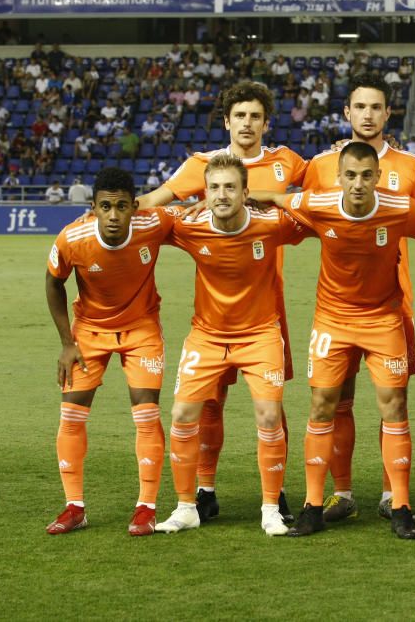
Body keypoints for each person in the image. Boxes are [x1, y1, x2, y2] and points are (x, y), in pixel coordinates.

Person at [137, 81, 307, 524]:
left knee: (271, 405)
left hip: (268, 303)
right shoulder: (200, 166)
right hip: (213, 315)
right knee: (207, 403)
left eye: (255, 116)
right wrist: (113, 207)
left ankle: (277, 495)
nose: (247, 123)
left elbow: (321, 189)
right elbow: (157, 202)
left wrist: (365, 147)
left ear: (265, 122)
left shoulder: (286, 162)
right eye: (240, 116)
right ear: (227, 121)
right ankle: (202, 492)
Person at [254, 142, 415, 539]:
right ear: (338, 178)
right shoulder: (319, 203)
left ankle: (401, 506)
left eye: (365, 175)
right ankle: (313, 506)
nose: (357, 183)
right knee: (322, 405)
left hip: (383, 319)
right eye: (350, 175)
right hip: (332, 321)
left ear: (377, 177)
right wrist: (247, 195)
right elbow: (279, 200)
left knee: (395, 406)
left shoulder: (401, 207)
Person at [302, 74, 415, 523]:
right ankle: (340, 493)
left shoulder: (413, 167)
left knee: (391, 402)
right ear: (347, 112)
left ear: (387, 113)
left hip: (390, 304)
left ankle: (389, 494)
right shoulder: (321, 165)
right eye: (360, 107)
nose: (368, 114)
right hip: (336, 306)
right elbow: (300, 216)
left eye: (376, 107)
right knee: (335, 399)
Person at [45, 167, 176, 536]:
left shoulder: (154, 224)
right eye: (106, 206)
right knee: (71, 415)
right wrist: (66, 343)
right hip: (89, 332)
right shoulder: (74, 237)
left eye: (122, 206)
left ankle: (146, 508)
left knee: (146, 414)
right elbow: (54, 282)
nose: (114, 215)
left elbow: (196, 217)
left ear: (135, 207)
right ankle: (74, 507)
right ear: (93, 208)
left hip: (142, 329)